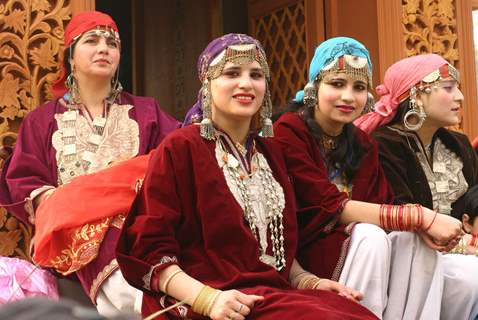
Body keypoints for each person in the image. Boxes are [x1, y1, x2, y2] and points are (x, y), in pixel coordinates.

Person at [116, 33, 378, 320]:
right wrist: (208, 299)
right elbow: (149, 248)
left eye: (256, 74)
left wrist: (310, 282)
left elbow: (272, 250)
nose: (246, 83)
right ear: (207, 83)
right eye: (232, 73)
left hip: (270, 294)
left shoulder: (271, 152)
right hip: (209, 300)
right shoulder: (181, 148)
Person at [0, 11, 179, 316]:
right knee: (99, 230)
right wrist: (70, 203)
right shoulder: (41, 121)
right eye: (92, 41)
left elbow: (177, 157)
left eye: (112, 43)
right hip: (70, 234)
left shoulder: (146, 112)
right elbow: (24, 179)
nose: (103, 48)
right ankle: (146, 305)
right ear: (71, 56)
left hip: (136, 228)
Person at [274, 37, 462, 319]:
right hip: (307, 251)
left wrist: (419, 227)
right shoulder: (289, 130)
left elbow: (380, 202)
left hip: (360, 251)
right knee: (370, 234)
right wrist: (421, 217)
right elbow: (326, 206)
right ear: (314, 86)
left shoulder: (363, 142)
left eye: (359, 87)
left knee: (413, 242)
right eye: (337, 84)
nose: (349, 96)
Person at [355, 53, 478, 320]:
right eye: (448, 88)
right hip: (409, 259)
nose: (460, 97)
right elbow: (401, 216)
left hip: (465, 252)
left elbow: (474, 204)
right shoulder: (383, 144)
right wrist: (466, 246)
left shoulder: (459, 145)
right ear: (416, 95)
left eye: (458, 88)